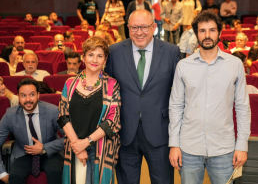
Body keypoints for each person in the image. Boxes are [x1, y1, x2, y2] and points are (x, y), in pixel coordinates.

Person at [169, 11, 250, 184]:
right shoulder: (183, 66)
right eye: (202, 30)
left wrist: (242, 144)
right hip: (189, 148)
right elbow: (175, 106)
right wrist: (174, 144)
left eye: (212, 30)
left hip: (224, 149)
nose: (207, 35)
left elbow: (242, 107)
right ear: (196, 34)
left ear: (219, 33)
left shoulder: (234, 65)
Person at [106, 9, 181, 184]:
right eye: (134, 28)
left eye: (144, 27)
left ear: (154, 27)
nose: (139, 32)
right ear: (128, 28)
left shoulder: (171, 52)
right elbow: (107, 91)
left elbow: (180, 93)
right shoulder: (114, 52)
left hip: (160, 132)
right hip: (124, 133)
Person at [58, 36, 121, 184]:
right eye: (91, 54)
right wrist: (78, 146)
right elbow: (63, 116)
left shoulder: (112, 85)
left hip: (101, 148)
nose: (95, 60)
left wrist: (86, 142)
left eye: (100, 56)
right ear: (83, 57)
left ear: (105, 61)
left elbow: (112, 121)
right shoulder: (70, 84)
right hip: (74, 147)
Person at [0, 78, 64, 184]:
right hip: (23, 154)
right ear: (18, 97)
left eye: (32, 94)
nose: (28, 99)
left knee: (55, 173)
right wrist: (2, 173)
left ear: (38, 95)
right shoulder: (10, 115)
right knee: (15, 177)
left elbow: (71, 138)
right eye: (23, 95)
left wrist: (44, 148)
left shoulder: (53, 111)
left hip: (51, 152)